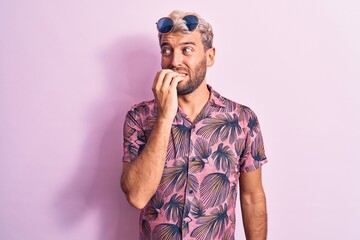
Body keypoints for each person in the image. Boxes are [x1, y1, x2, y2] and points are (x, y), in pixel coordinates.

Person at [121, 10, 268, 240]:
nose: (175, 61)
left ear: (210, 57)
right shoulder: (139, 117)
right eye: (167, 50)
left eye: (186, 50)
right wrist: (163, 118)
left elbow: (252, 198)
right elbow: (137, 197)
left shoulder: (242, 120)